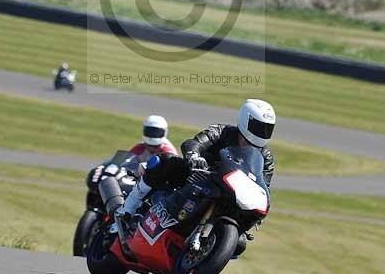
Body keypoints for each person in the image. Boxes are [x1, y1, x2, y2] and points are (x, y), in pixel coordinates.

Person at [118, 99, 275, 232]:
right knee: (163, 161)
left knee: (239, 243)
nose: (263, 132)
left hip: (230, 194)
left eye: (267, 128)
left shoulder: (266, 157)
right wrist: (194, 155)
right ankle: (127, 208)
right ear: (245, 120)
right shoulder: (223, 131)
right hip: (199, 176)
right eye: (259, 127)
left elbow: (263, 186)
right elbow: (195, 142)